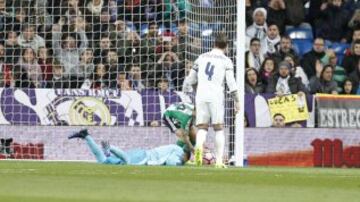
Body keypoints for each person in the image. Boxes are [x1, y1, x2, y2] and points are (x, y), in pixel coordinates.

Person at [184, 33, 240, 168]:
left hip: (201, 96)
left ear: (214, 44)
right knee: (218, 129)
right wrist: (237, 100)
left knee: (202, 128)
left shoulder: (201, 57)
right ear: (226, 46)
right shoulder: (226, 60)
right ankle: (219, 161)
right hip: (216, 96)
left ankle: (198, 154)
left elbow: (190, 79)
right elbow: (231, 83)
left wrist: (190, 90)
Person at [68, 129, 188, 166]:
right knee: (128, 163)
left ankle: (86, 136)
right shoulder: (179, 151)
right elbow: (172, 162)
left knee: (104, 161)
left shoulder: (173, 147)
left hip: (142, 153)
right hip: (145, 157)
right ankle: (111, 149)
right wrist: (181, 163)